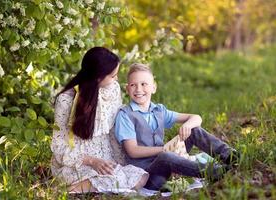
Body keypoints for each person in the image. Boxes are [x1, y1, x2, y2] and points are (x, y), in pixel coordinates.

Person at [115, 63, 239, 191]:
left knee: (193, 130)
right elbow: (132, 151)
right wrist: (163, 149)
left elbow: (196, 118)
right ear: (127, 89)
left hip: (168, 165)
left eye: (143, 84)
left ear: (154, 87)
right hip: (149, 176)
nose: (138, 89)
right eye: (133, 85)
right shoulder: (125, 115)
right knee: (166, 157)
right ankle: (213, 172)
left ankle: (231, 157)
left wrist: (187, 125)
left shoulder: (158, 110)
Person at [51, 48, 148, 193]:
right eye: (113, 76)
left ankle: (102, 188)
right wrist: (92, 161)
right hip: (77, 163)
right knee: (109, 179)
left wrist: (121, 162)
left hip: (106, 159)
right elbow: (59, 147)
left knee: (141, 176)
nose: (116, 79)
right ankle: (68, 189)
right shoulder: (66, 99)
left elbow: (112, 132)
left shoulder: (113, 89)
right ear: (97, 77)